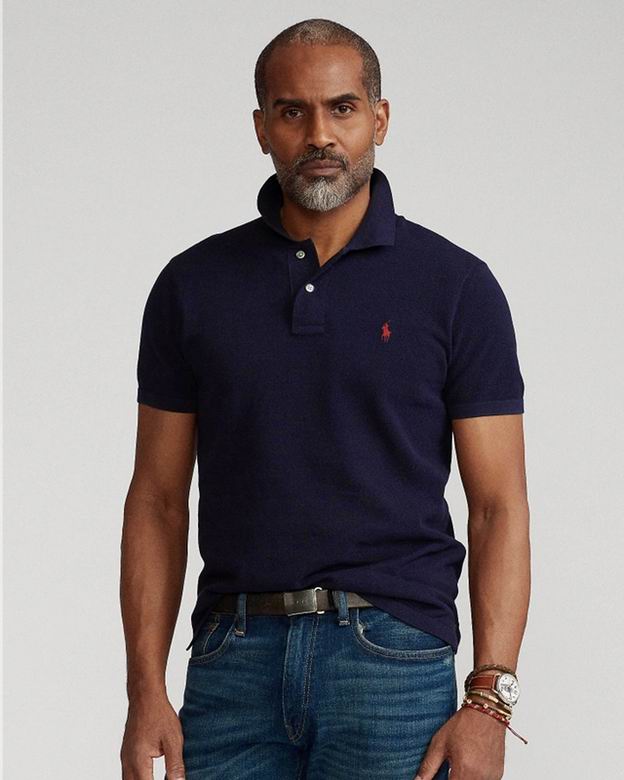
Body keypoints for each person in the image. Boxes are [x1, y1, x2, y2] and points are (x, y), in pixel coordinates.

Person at [120, 17, 530, 780]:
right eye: (292, 111)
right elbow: (157, 500)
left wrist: (489, 700)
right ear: (261, 129)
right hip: (232, 661)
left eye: (342, 108)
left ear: (380, 118)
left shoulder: (455, 287)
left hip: (392, 660)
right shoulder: (193, 286)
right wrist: (145, 689)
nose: (319, 134)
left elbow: (499, 505)